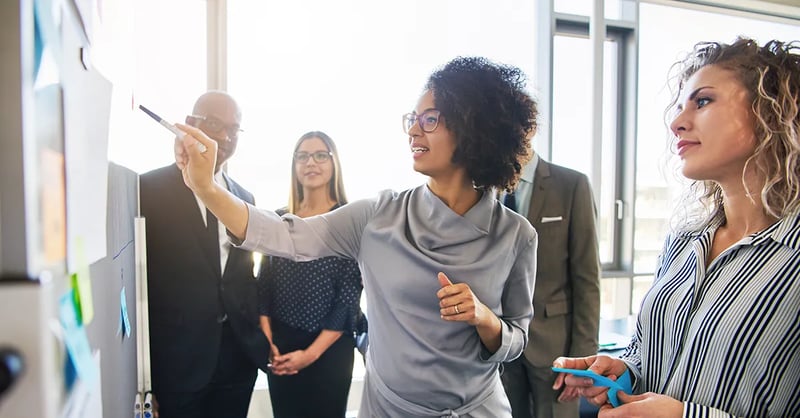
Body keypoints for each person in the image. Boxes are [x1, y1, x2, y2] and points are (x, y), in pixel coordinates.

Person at [175, 56, 539, 417]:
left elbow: (516, 341)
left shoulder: (516, 235)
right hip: (389, 411)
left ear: (473, 127)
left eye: (430, 120)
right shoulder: (377, 216)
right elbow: (281, 234)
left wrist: (484, 318)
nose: (414, 131)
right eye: (412, 120)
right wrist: (206, 188)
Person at [554, 37, 800, 418]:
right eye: (682, 105)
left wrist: (687, 415)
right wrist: (625, 372)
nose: (677, 122)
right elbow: (647, 352)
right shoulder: (683, 240)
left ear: (771, 111)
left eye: (703, 101)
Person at [140, 90, 269, 418]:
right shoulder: (147, 190)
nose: (225, 136)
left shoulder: (245, 197)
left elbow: (243, 276)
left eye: (234, 128)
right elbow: (141, 285)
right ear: (189, 125)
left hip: (236, 359)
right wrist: (145, 377)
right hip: (177, 363)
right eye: (214, 124)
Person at [258, 130, 366, 417]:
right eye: (303, 156)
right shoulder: (279, 220)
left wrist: (309, 355)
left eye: (321, 155)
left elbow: (348, 300)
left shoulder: (349, 221)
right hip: (280, 348)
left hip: (329, 350)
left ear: (334, 164)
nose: (311, 163)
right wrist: (268, 344)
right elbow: (263, 288)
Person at [500, 123, 601, 418]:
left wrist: (581, 360)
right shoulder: (487, 189)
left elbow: (587, 280)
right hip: (502, 345)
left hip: (555, 348)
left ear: (529, 128)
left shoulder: (571, 184)